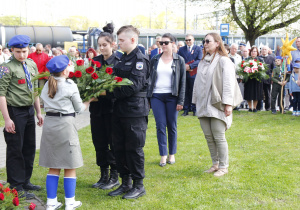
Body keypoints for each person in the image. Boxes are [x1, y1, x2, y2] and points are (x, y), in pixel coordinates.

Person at [39, 55, 94, 209]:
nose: (71, 68)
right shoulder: (70, 85)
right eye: (69, 66)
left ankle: (51, 202)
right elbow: (79, 109)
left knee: (53, 165)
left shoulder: (47, 85)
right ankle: (70, 202)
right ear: (64, 72)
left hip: (50, 125)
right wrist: (89, 100)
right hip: (65, 125)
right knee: (70, 165)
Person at [107, 25, 149, 199]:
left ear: (133, 40)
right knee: (119, 148)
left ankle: (138, 185)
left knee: (134, 148)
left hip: (134, 110)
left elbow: (133, 86)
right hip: (119, 110)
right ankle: (125, 183)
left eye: (121, 40)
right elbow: (114, 79)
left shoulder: (140, 59)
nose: (118, 43)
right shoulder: (122, 58)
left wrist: (109, 92)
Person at [0, 35, 43, 199]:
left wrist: (39, 112)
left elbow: (35, 90)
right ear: (12, 50)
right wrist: (7, 119)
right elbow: (1, 95)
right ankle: (16, 186)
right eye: (18, 52)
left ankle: (25, 181)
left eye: (24, 51)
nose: (22, 55)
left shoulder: (31, 65)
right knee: (15, 149)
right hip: (14, 112)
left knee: (29, 147)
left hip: (29, 111)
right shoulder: (6, 68)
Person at [192, 33, 236, 177]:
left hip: (217, 104)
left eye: (207, 41)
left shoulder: (224, 61)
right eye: (203, 41)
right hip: (203, 104)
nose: (205, 43)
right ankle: (215, 164)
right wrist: (195, 100)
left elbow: (229, 83)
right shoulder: (203, 61)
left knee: (218, 135)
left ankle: (224, 166)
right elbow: (197, 83)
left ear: (217, 43)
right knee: (209, 136)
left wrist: (228, 104)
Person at [89, 23, 120, 190]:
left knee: (112, 142)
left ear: (112, 45)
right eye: (99, 45)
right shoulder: (94, 62)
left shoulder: (119, 61)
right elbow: (88, 82)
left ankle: (115, 175)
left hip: (112, 109)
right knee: (99, 142)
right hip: (96, 109)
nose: (101, 48)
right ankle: (103, 174)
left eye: (104, 45)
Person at [147, 33, 186, 167]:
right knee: (160, 125)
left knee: (172, 125)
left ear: (173, 44)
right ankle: (163, 155)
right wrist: (148, 97)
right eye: (161, 43)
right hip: (157, 95)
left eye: (166, 42)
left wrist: (181, 101)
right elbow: (149, 79)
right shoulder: (155, 59)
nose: (163, 45)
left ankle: (172, 154)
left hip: (172, 96)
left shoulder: (179, 60)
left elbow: (182, 82)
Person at [178, 34, 203, 116]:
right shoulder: (181, 49)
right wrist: (184, 66)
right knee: (185, 91)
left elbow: (199, 60)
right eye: (186, 40)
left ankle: (194, 109)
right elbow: (178, 59)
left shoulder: (198, 49)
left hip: (194, 73)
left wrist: (190, 66)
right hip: (184, 73)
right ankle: (186, 109)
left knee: (194, 91)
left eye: (189, 40)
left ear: (193, 40)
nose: (188, 41)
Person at [28, 43, 50, 107]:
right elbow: (29, 64)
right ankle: (33, 102)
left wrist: (44, 74)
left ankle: (40, 103)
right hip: (33, 75)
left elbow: (46, 66)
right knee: (33, 89)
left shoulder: (46, 56)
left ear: (42, 49)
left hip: (41, 76)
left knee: (41, 89)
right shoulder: (31, 55)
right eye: (37, 50)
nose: (38, 51)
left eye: (39, 50)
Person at [244, 46, 264, 112]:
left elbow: (263, 69)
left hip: (257, 80)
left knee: (256, 93)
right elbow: (243, 68)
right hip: (249, 79)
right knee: (249, 93)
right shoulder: (247, 59)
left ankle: (254, 107)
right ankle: (250, 107)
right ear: (250, 52)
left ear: (257, 52)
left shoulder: (260, 60)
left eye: (255, 51)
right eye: (252, 51)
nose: (253, 53)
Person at [258, 45, 275, 111]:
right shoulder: (258, 58)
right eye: (263, 49)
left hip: (268, 78)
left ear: (268, 50)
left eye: (265, 49)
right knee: (259, 93)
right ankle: (259, 107)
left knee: (267, 93)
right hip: (259, 78)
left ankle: (267, 107)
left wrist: (272, 78)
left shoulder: (271, 58)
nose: (264, 51)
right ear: (261, 51)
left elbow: (273, 68)